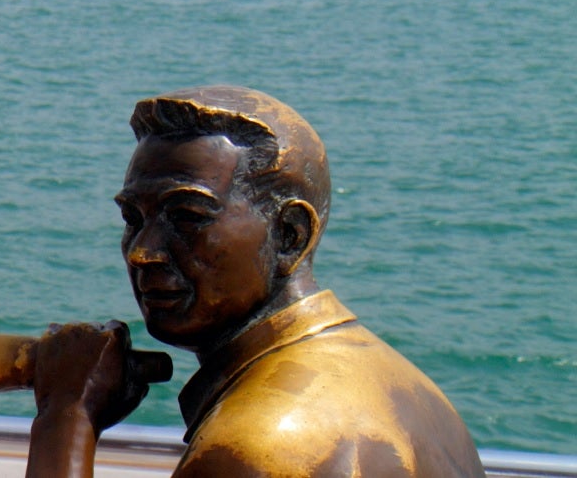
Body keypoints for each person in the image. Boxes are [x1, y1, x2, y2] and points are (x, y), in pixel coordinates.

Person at [26, 86, 484, 477]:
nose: (143, 252)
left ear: (289, 235)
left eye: (187, 217)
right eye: (133, 218)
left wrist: (66, 417)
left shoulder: (251, 449)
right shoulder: (410, 393)